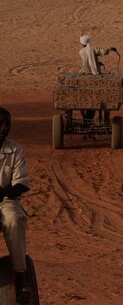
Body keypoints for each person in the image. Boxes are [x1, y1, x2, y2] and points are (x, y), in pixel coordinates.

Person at [0, 109, 32, 304]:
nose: (4, 129)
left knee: (14, 220)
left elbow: (20, 185)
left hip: (6, 201)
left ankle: (20, 276)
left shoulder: (16, 150)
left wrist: (1, 192)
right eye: (0, 124)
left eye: (7, 125)